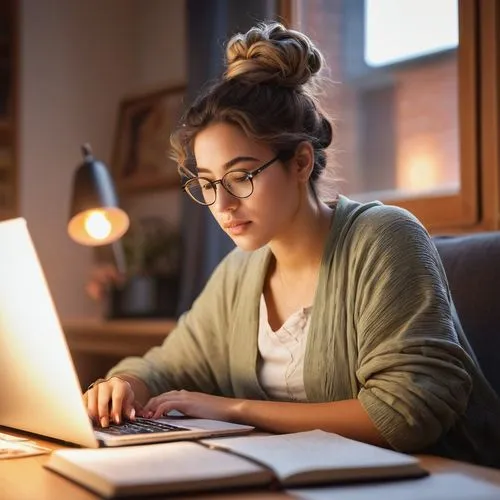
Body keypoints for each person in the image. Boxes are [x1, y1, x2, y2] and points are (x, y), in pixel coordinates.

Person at [84, 22, 500, 468]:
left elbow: (405, 413)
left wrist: (236, 409)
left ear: (300, 161)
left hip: (446, 480)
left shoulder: (384, 239)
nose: (222, 205)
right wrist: (125, 384)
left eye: (241, 176)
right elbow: (165, 366)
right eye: (206, 184)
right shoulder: (239, 275)